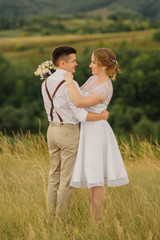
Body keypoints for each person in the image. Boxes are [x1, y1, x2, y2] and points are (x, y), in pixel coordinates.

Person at [41, 46, 109, 217]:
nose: (76, 64)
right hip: (68, 133)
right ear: (63, 63)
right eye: (73, 61)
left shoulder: (46, 82)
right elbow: (81, 114)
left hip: (51, 130)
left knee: (53, 177)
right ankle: (61, 221)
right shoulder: (69, 84)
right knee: (66, 181)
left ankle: (50, 218)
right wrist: (101, 116)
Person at [64, 47, 129, 220]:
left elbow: (79, 101)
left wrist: (69, 80)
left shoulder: (106, 88)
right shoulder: (93, 79)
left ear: (102, 66)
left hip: (97, 133)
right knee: (93, 178)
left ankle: (97, 219)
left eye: (93, 62)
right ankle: (95, 217)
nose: (90, 65)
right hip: (88, 130)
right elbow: (76, 95)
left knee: (98, 179)